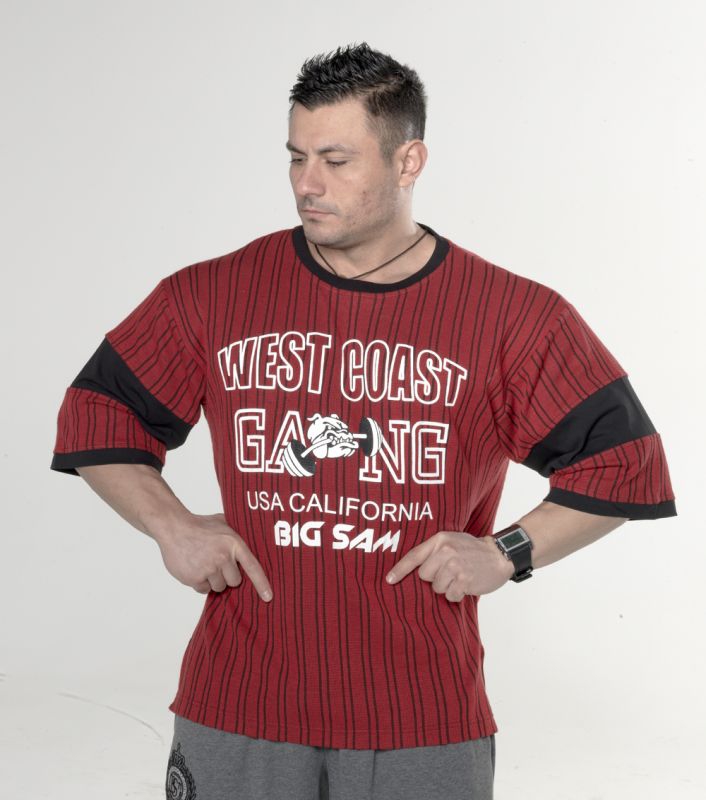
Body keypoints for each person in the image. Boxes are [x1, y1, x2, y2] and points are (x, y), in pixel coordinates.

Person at [50, 41, 677, 800]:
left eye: (336, 161)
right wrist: (172, 527)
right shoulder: (213, 295)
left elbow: (624, 461)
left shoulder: (510, 316)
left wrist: (507, 552)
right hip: (240, 699)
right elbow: (98, 409)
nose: (306, 184)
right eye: (296, 157)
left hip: (421, 714)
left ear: (409, 161)